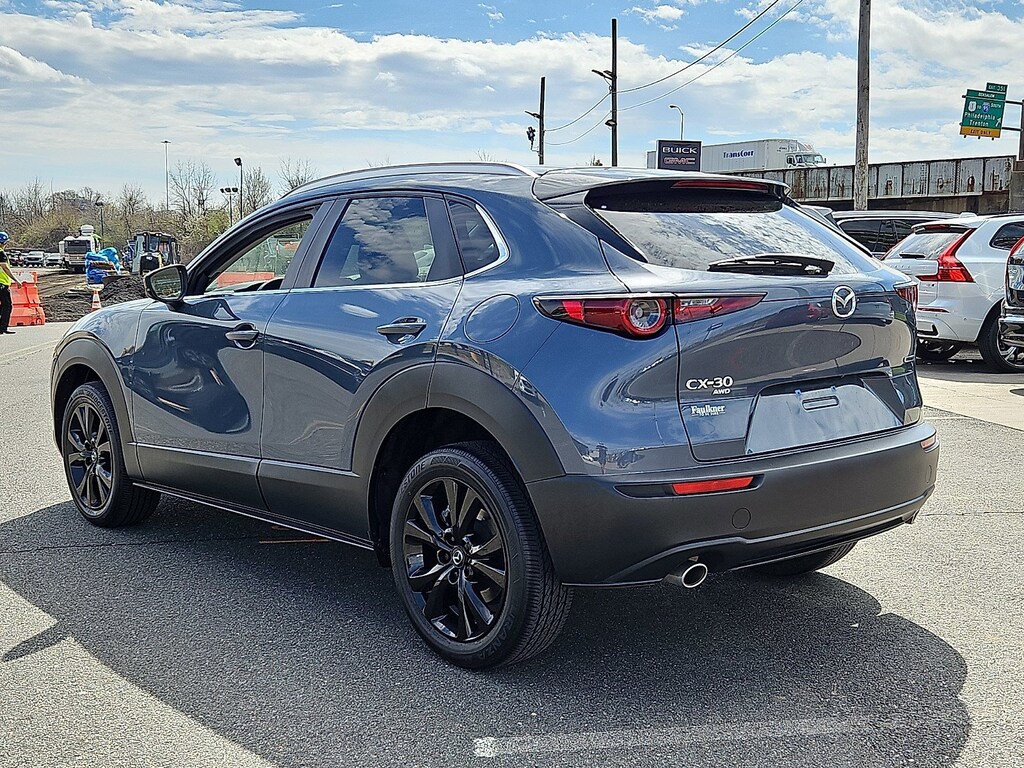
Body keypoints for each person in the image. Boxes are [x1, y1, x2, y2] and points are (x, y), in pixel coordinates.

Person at [0, 231, 25, 335]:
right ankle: (2, 328)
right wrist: (16, 280)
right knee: (7, 306)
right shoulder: (1, 253)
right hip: (2, 283)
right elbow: (5, 268)